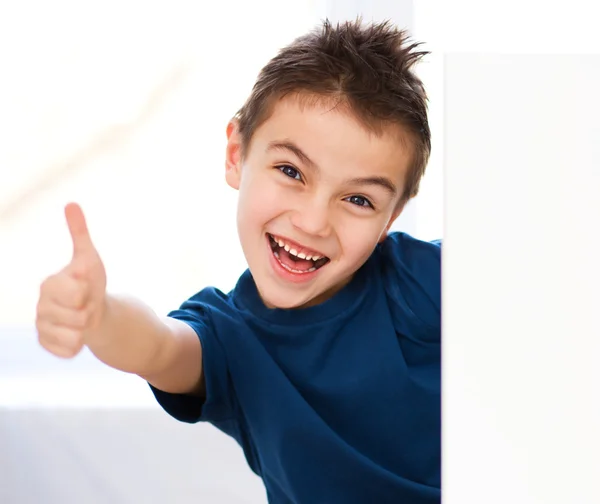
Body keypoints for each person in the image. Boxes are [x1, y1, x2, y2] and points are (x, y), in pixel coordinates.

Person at [36, 18, 441, 504]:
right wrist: (99, 315)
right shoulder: (231, 338)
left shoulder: (423, 282)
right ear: (236, 154)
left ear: (391, 216)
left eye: (358, 201)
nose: (313, 222)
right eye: (291, 171)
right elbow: (161, 347)